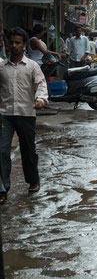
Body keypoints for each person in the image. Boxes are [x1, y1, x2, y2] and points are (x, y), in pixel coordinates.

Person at [0, 28, 48, 204]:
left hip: (27, 114)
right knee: (2, 150)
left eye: (17, 42)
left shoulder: (32, 66)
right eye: (11, 42)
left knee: (28, 151)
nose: (14, 45)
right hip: (5, 115)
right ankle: (3, 188)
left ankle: (33, 181)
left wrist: (41, 99)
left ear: (23, 45)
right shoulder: (1, 67)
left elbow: (41, 84)